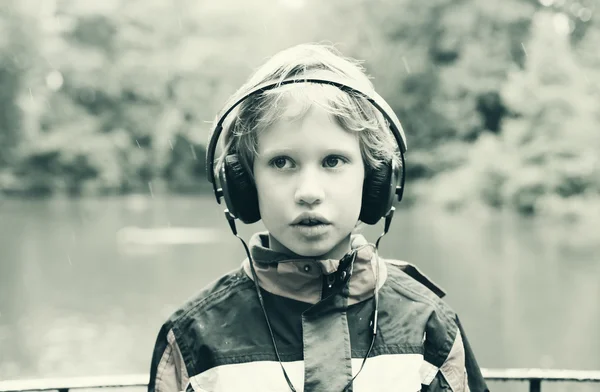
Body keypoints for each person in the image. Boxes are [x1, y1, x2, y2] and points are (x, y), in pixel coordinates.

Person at [148, 43, 489, 392]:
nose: (308, 191)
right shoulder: (194, 339)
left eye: (332, 161)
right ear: (244, 185)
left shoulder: (428, 327)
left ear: (376, 180)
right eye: (282, 162)